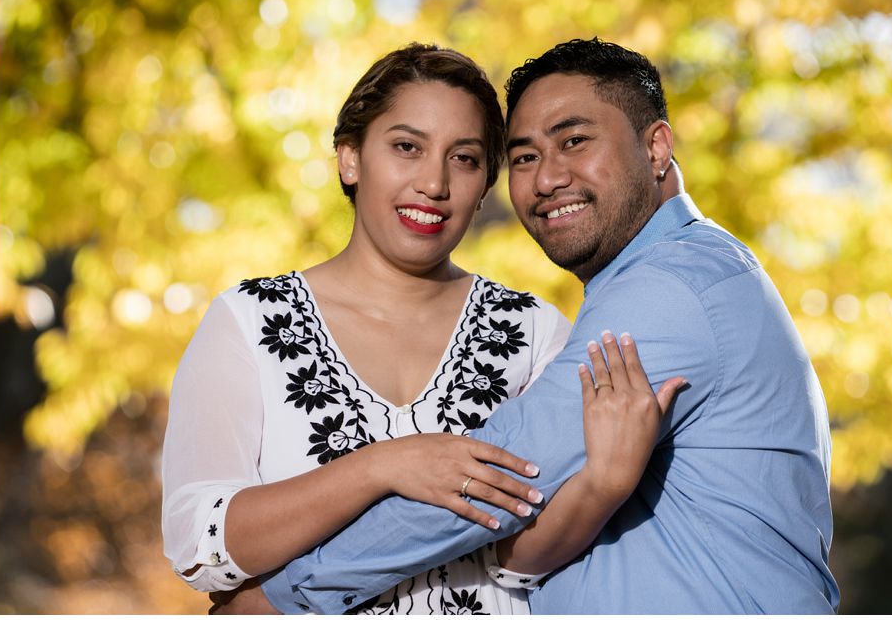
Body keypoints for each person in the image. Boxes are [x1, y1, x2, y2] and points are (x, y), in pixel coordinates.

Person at [236, 38, 840, 614]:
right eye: (525, 157)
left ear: (656, 149)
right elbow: (522, 544)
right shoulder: (680, 275)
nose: (547, 178)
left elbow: (493, 478)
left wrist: (285, 595)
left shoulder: (670, 289)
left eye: (574, 140)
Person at [162, 42, 682, 615]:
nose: (433, 183)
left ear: (485, 183)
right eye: (407, 148)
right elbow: (200, 545)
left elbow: (516, 559)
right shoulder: (250, 320)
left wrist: (604, 484)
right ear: (350, 158)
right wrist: (382, 466)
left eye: (464, 158)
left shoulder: (533, 332)